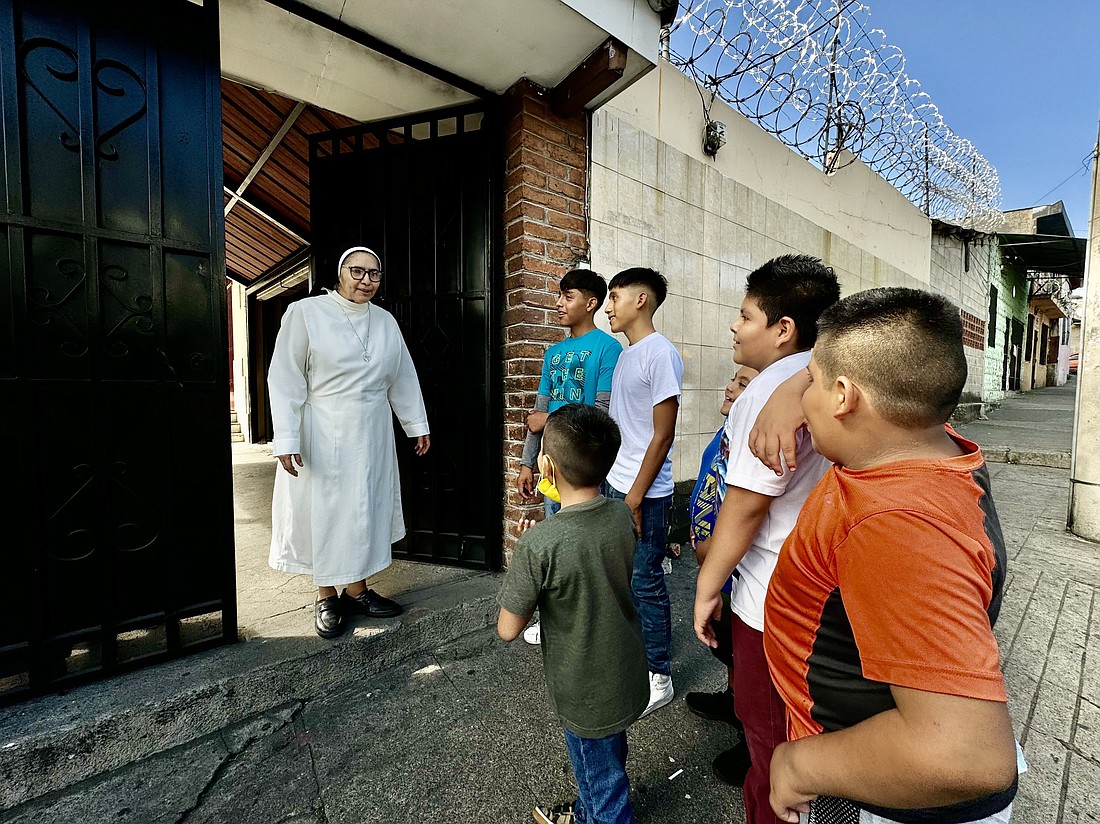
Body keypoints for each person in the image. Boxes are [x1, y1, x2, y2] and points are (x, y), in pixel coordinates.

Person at [765, 287, 1018, 823]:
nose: (799, 394)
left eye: (808, 379)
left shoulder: (897, 525)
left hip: (875, 793)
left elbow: (966, 756)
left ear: (842, 396)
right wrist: (790, 392)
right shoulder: (922, 436)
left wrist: (799, 763)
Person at [692, 254, 839, 824]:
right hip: (820, 595)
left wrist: (707, 589)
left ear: (784, 330)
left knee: (771, 751)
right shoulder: (831, 380)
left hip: (770, 601)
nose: (734, 325)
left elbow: (747, 507)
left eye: (745, 315)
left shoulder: (770, 390)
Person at [267, 246, 430, 639]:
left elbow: (402, 376)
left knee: (364, 509)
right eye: (357, 272)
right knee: (326, 511)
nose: (366, 281)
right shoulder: (306, 313)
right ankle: (326, 595)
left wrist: (416, 424)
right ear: (339, 274)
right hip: (321, 427)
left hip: (371, 431)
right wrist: (286, 436)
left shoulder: (386, 321)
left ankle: (357, 589)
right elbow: (285, 377)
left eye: (374, 274)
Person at [498, 404, 647, 824]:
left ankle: (597, 815)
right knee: (609, 761)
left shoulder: (540, 544)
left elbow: (508, 627)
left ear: (546, 465)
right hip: (623, 670)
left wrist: (525, 559)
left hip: (584, 690)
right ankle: (587, 812)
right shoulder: (620, 514)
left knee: (602, 786)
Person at [516, 268, 621, 645]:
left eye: (568, 296)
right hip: (550, 466)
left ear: (591, 303)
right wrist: (529, 462)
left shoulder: (609, 349)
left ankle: (593, 623)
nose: (559, 303)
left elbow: (601, 412)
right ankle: (554, 621)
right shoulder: (553, 353)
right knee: (555, 546)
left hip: (589, 467)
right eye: (559, 295)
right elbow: (535, 416)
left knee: (589, 549)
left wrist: (550, 418)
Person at [603, 267, 683, 718]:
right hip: (619, 485)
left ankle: (660, 676)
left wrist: (634, 497)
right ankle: (636, 659)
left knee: (646, 582)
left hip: (646, 494)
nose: (607, 306)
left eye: (614, 296)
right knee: (624, 579)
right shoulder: (626, 355)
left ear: (642, 300)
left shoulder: (660, 353)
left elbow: (662, 435)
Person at [684, 364, 757, 786]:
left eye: (742, 383)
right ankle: (733, 700)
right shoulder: (728, 430)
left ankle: (754, 742)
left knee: (747, 652)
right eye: (732, 378)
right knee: (729, 647)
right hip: (719, 568)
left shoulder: (754, 438)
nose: (730, 386)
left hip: (737, 570)